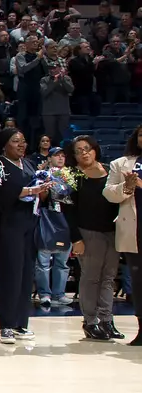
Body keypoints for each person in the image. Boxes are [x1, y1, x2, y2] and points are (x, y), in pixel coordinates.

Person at [0, 128, 50, 345]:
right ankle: (5, 325)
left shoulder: (29, 164)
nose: (21, 145)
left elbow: (38, 193)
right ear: (5, 144)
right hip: (6, 226)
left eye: (23, 141)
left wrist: (45, 189)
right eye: (16, 141)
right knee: (10, 275)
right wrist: (29, 191)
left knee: (26, 275)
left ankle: (20, 323)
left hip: (29, 224)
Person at [69, 136, 120, 340]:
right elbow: (68, 211)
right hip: (88, 232)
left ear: (95, 150)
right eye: (79, 150)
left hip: (113, 231)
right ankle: (90, 322)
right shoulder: (72, 176)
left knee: (108, 278)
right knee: (91, 278)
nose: (84, 153)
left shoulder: (110, 170)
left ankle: (107, 320)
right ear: (74, 155)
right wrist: (76, 238)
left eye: (88, 149)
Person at [103, 126, 142, 345]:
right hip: (135, 230)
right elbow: (108, 193)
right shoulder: (121, 163)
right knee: (138, 282)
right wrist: (126, 188)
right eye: (141, 134)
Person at [33, 147, 73, 308]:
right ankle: (44, 294)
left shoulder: (70, 175)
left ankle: (59, 294)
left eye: (63, 155)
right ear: (49, 159)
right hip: (47, 218)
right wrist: (45, 186)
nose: (61, 158)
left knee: (62, 262)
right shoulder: (42, 175)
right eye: (57, 156)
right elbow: (39, 197)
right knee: (43, 262)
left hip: (66, 220)